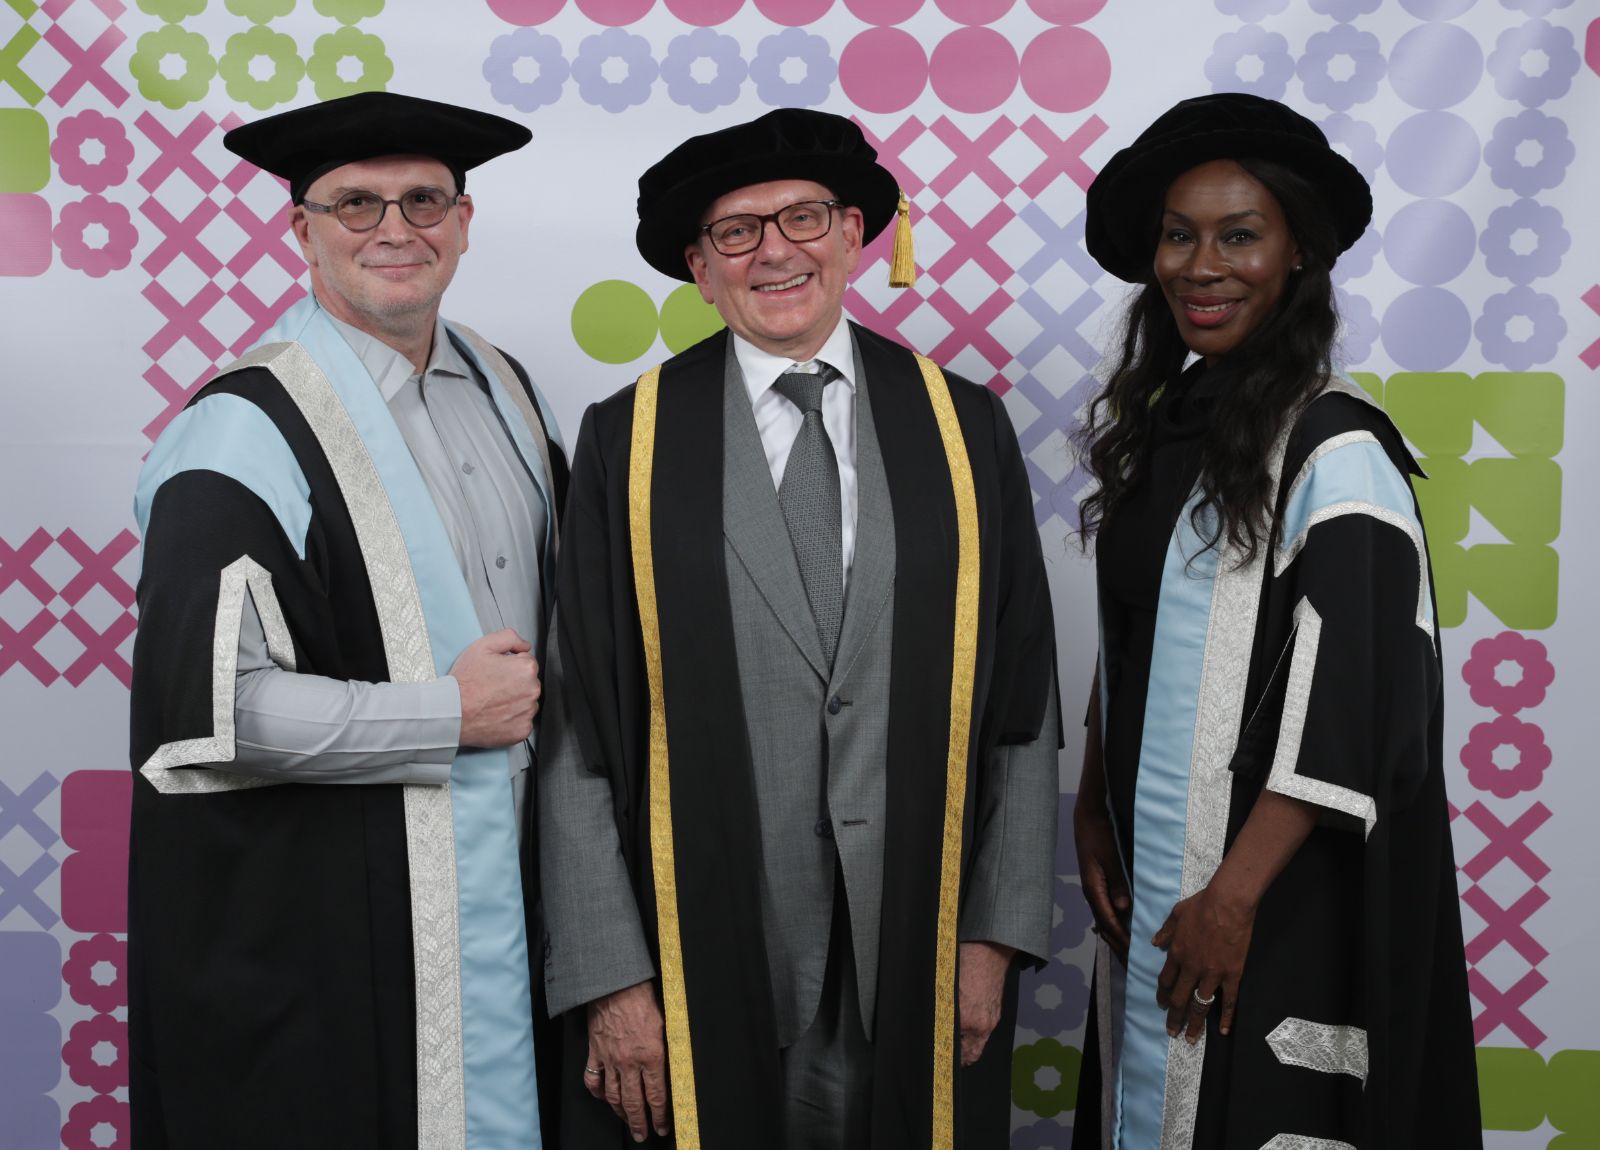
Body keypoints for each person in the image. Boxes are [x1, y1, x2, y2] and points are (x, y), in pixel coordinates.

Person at [535, 108, 1060, 1149]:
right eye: (736, 232)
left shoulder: (962, 429)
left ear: (857, 231)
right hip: (705, 943)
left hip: (918, 934)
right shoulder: (627, 442)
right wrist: (609, 975)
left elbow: (1022, 706)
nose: (775, 250)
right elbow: (577, 729)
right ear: (698, 266)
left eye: (804, 218)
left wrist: (995, 935)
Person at [128, 91, 567, 1150]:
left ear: (463, 221)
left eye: (423, 199)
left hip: (517, 896)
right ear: (303, 229)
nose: (393, 228)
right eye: (355, 204)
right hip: (332, 922)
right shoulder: (240, 430)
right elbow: (207, 713)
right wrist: (445, 716)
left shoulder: (508, 390)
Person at [1070, 92, 1481, 1148]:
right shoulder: (1170, 434)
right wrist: (1088, 801)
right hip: (1157, 859)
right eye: (1178, 235)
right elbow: (1132, 628)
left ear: (1297, 254)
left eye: (1238, 236)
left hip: (1278, 888)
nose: (1199, 265)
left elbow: (1350, 695)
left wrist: (1232, 896)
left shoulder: (1337, 451)